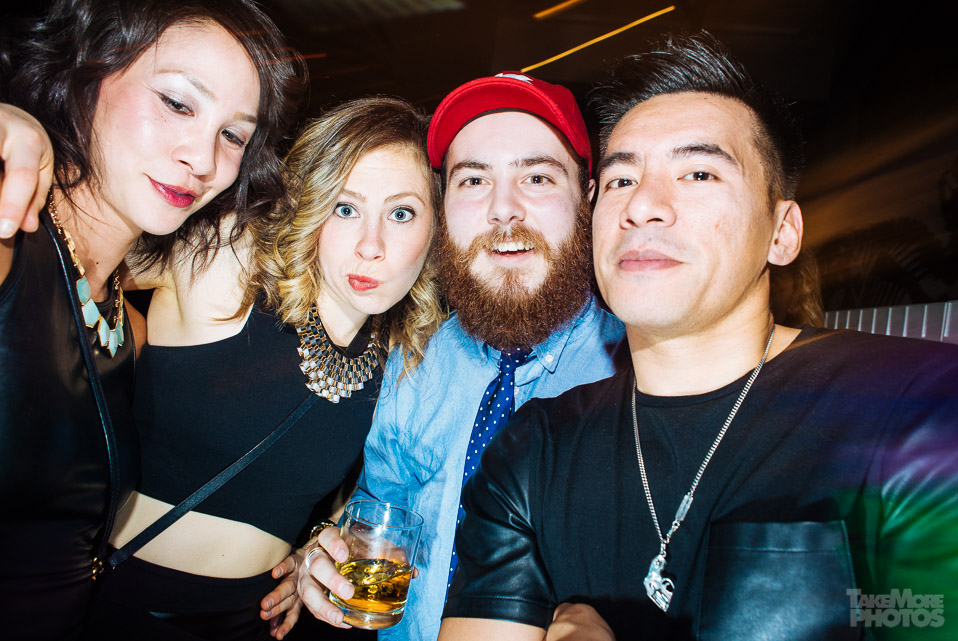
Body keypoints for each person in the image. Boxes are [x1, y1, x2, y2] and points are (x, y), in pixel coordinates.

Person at [439, 34, 958, 641]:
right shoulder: (532, 448)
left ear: (782, 233)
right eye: (621, 179)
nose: (644, 206)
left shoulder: (921, 405)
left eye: (699, 172)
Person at [78, 95, 444, 641]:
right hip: (120, 604)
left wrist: (312, 551)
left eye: (401, 213)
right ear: (312, 205)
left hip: (254, 622)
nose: (371, 246)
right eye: (345, 208)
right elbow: (77, 254)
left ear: (437, 228)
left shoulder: (408, 360)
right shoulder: (234, 259)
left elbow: (353, 503)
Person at [0, 1, 302, 639]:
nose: (204, 158)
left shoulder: (125, 328)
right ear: (86, 75)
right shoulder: (9, 245)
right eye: (177, 103)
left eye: (233, 136)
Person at [297, 73, 626, 641]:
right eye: (474, 180)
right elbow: (378, 506)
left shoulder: (638, 372)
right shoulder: (416, 358)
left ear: (588, 197)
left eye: (537, 177)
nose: (504, 210)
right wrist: (323, 550)